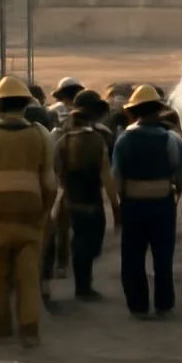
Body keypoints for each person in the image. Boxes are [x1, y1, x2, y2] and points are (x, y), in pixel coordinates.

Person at [0, 75, 56, 347]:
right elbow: (49, 183)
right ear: (25, 104)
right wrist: (44, 212)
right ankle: (29, 330)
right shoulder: (40, 134)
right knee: (28, 274)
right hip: (29, 210)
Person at [111, 85, 182, 319]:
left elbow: (116, 179)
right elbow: (181, 178)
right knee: (163, 257)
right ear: (158, 110)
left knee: (133, 258)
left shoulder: (124, 140)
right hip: (162, 204)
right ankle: (164, 305)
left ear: (134, 112)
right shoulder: (172, 139)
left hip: (133, 205)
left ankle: (138, 306)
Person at [54, 91, 120, 301]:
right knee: (89, 241)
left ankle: (63, 272)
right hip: (92, 199)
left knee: (71, 238)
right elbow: (107, 176)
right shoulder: (98, 139)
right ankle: (83, 285)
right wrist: (115, 205)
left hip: (68, 196)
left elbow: (54, 169)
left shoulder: (60, 137)